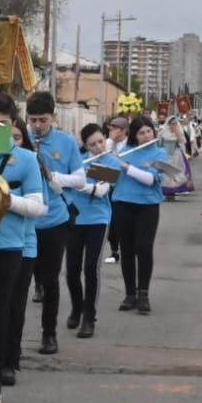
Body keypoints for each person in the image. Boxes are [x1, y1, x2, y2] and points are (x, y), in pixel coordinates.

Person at [0, 97, 45, 403]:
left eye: (2, 125)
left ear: (12, 124)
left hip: (8, 247)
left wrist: (6, 199)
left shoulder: (27, 160)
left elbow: (38, 207)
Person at [24, 92, 82, 355]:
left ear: (53, 118)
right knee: (17, 284)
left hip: (55, 220)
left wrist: (54, 176)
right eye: (33, 120)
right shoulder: (18, 138)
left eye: (43, 120)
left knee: (51, 281)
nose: (37, 125)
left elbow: (80, 179)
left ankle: (49, 334)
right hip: (23, 222)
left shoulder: (66, 141)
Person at [110, 115, 166, 315]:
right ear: (134, 135)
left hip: (148, 206)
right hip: (123, 204)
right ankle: (129, 294)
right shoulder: (124, 152)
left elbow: (151, 179)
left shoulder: (160, 153)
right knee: (126, 250)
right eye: (141, 133)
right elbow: (110, 176)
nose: (146, 135)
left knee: (144, 248)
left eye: (148, 131)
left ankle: (144, 293)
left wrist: (126, 167)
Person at [64, 124, 115, 337]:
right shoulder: (78, 159)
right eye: (92, 144)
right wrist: (74, 175)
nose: (98, 147)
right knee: (71, 271)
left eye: (101, 141)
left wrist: (80, 179)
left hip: (98, 219)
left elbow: (101, 190)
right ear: (85, 145)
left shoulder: (112, 162)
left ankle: (89, 316)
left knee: (91, 268)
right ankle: (77, 306)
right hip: (75, 217)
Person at [103, 115, 130, 264]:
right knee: (111, 221)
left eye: (116, 128)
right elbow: (102, 158)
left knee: (122, 221)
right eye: (111, 128)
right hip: (109, 185)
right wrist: (111, 140)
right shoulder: (108, 143)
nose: (113, 131)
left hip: (124, 186)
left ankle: (125, 249)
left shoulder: (129, 146)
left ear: (124, 130)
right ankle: (114, 250)